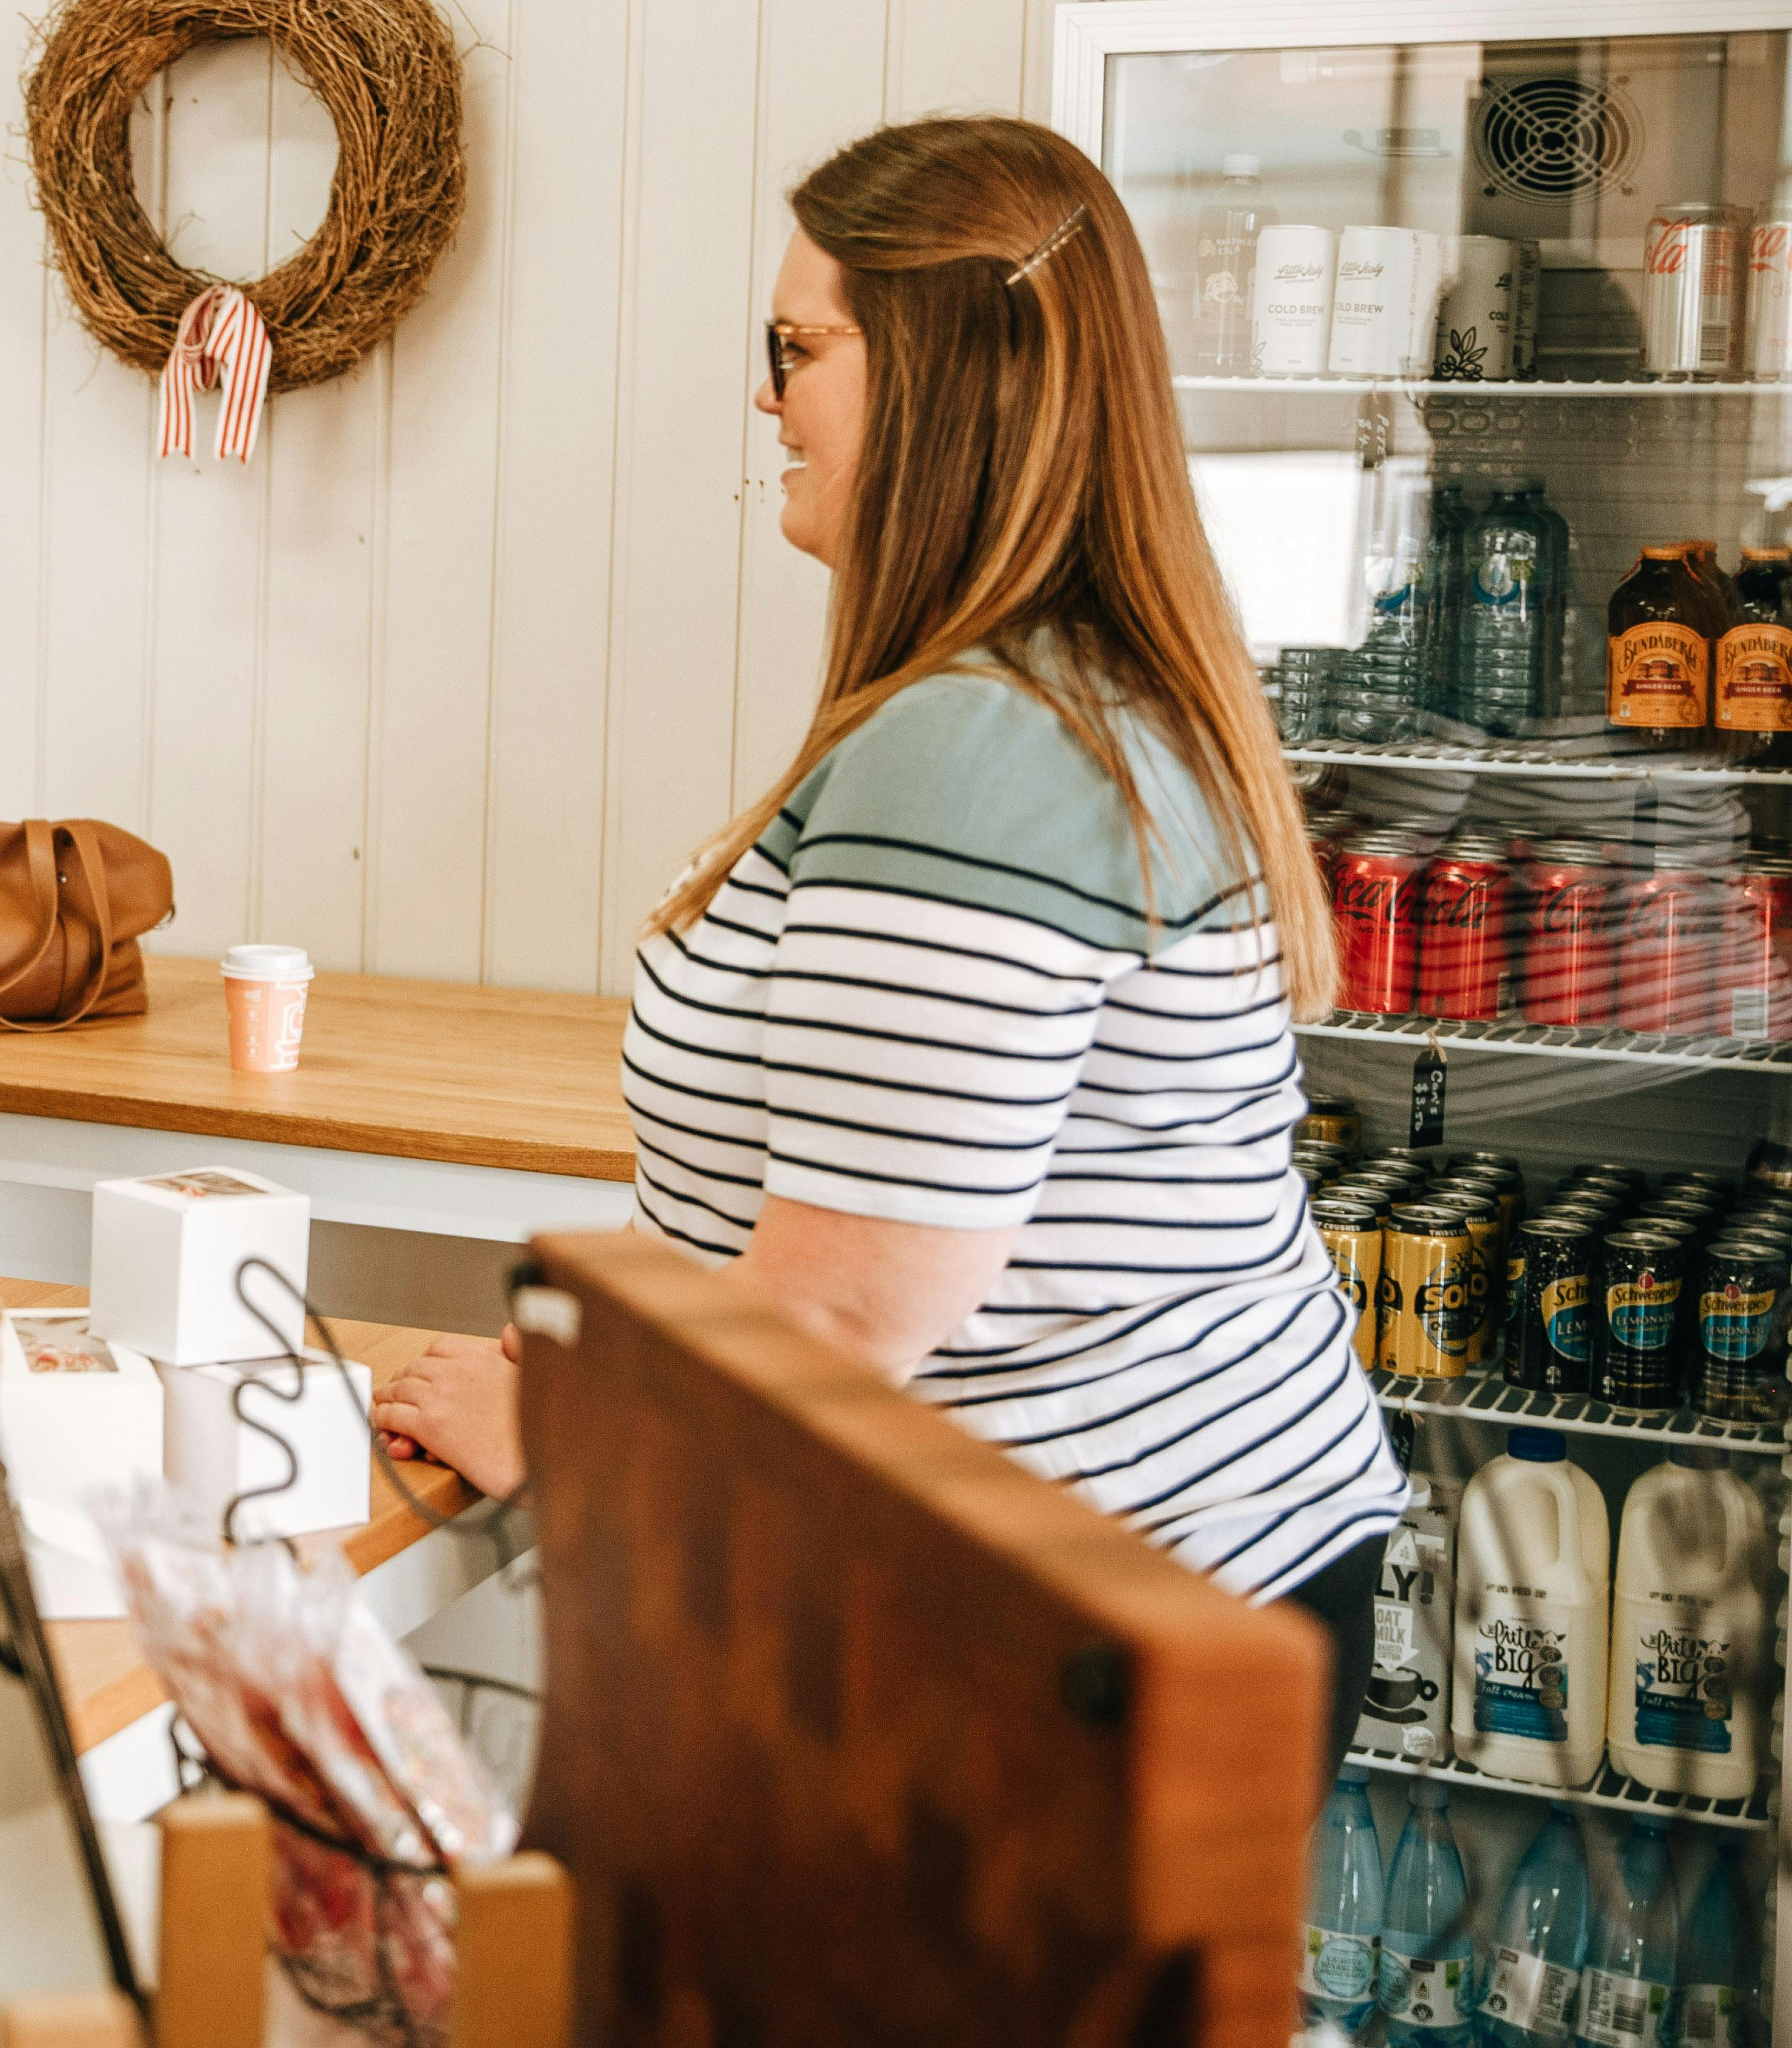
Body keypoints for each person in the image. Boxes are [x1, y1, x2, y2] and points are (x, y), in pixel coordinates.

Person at [373, 114, 1404, 1782]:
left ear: (946, 374)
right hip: (1198, 1563)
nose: (769, 400)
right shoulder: (1066, 691)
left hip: (1074, 1625)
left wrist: (563, 1430)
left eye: (800, 350)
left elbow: (851, 1315)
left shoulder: (978, 752)